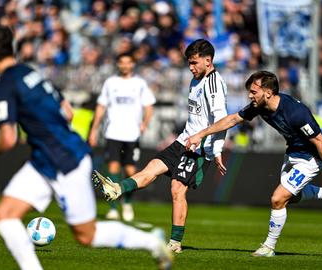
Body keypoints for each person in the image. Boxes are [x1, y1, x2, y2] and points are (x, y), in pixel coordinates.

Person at [0, 25, 172, 270]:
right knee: (3, 216)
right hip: (46, 159)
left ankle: (152, 242)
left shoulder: (5, 84)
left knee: (87, 235)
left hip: (65, 160)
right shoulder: (29, 72)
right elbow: (67, 111)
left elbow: (8, 138)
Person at [184, 70, 322, 257]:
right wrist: (200, 134)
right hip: (292, 154)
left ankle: (269, 247)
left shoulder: (296, 112)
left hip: (310, 159)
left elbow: (320, 142)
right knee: (291, 197)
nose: (250, 95)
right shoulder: (259, 106)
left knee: (278, 199)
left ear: (268, 92)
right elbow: (232, 119)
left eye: (254, 91)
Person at [93, 39, 228, 253]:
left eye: (194, 63)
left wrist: (217, 150)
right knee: (152, 168)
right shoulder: (195, 81)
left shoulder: (213, 84)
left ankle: (175, 243)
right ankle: (117, 189)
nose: (190, 67)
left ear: (208, 61)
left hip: (200, 148)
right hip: (184, 140)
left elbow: (222, 121)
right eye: (189, 63)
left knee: (177, 189)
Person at [88, 53, 156, 222]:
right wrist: (94, 129)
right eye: (122, 62)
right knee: (112, 168)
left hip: (132, 134)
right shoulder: (110, 83)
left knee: (130, 170)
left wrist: (144, 124)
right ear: (118, 64)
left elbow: (148, 106)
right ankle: (113, 207)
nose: (125, 65)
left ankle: (127, 202)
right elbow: (101, 107)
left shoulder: (139, 84)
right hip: (113, 133)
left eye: (128, 62)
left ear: (133, 64)